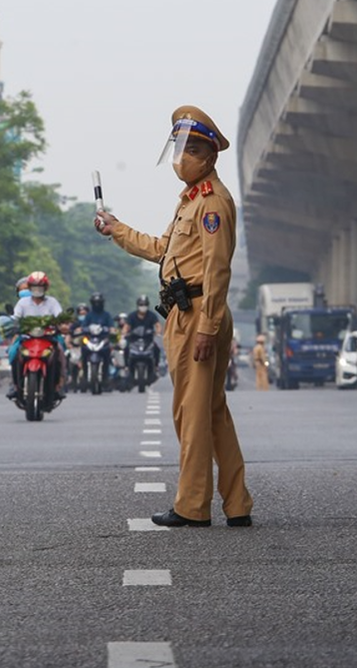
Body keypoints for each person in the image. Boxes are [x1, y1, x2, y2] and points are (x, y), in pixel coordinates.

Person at [95, 104, 253, 528]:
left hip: (200, 312)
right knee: (212, 411)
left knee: (191, 413)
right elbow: (162, 250)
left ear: (210, 156)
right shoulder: (190, 200)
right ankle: (237, 503)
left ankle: (192, 506)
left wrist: (207, 327)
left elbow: (218, 269)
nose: (182, 159)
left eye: (191, 150)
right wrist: (116, 228)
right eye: (179, 148)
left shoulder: (213, 203)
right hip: (184, 312)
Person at [8, 270, 66, 403]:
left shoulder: (52, 302)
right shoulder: (22, 303)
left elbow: (60, 318)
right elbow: (15, 318)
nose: (37, 290)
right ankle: (15, 385)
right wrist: (10, 325)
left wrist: (62, 325)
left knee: (61, 352)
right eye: (34, 287)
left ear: (45, 288)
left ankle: (59, 384)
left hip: (48, 338)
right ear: (30, 288)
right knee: (13, 353)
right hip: (26, 338)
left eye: (40, 287)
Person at [124, 294, 163, 368]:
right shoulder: (132, 316)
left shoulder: (152, 315)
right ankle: (126, 366)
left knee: (156, 348)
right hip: (134, 340)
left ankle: (156, 366)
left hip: (148, 340)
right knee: (126, 348)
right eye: (141, 304)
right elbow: (126, 326)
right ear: (138, 305)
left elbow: (158, 325)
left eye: (145, 304)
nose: (143, 306)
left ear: (147, 305)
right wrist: (124, 333)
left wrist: (158, 332)